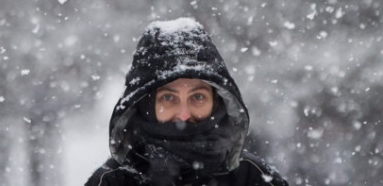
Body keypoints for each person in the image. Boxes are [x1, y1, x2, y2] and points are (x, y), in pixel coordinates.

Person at [85, 17, 289, 186]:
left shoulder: (254, 178)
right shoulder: (111, 182)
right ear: (147, 105)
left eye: (197, 97)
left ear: (217, 102)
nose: (184, 114)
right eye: (168, 98)